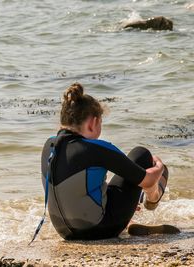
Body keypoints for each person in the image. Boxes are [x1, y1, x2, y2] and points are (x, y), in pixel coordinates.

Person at [40, 82, 169, 240]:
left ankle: (130, 218)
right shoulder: (96, 148)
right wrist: (160, 166)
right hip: (100, 229)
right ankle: (153, 200)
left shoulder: (49, 147)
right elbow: (148, 180)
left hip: (64, 232)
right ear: (93, 123)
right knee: (141, 155)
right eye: (101, 122)